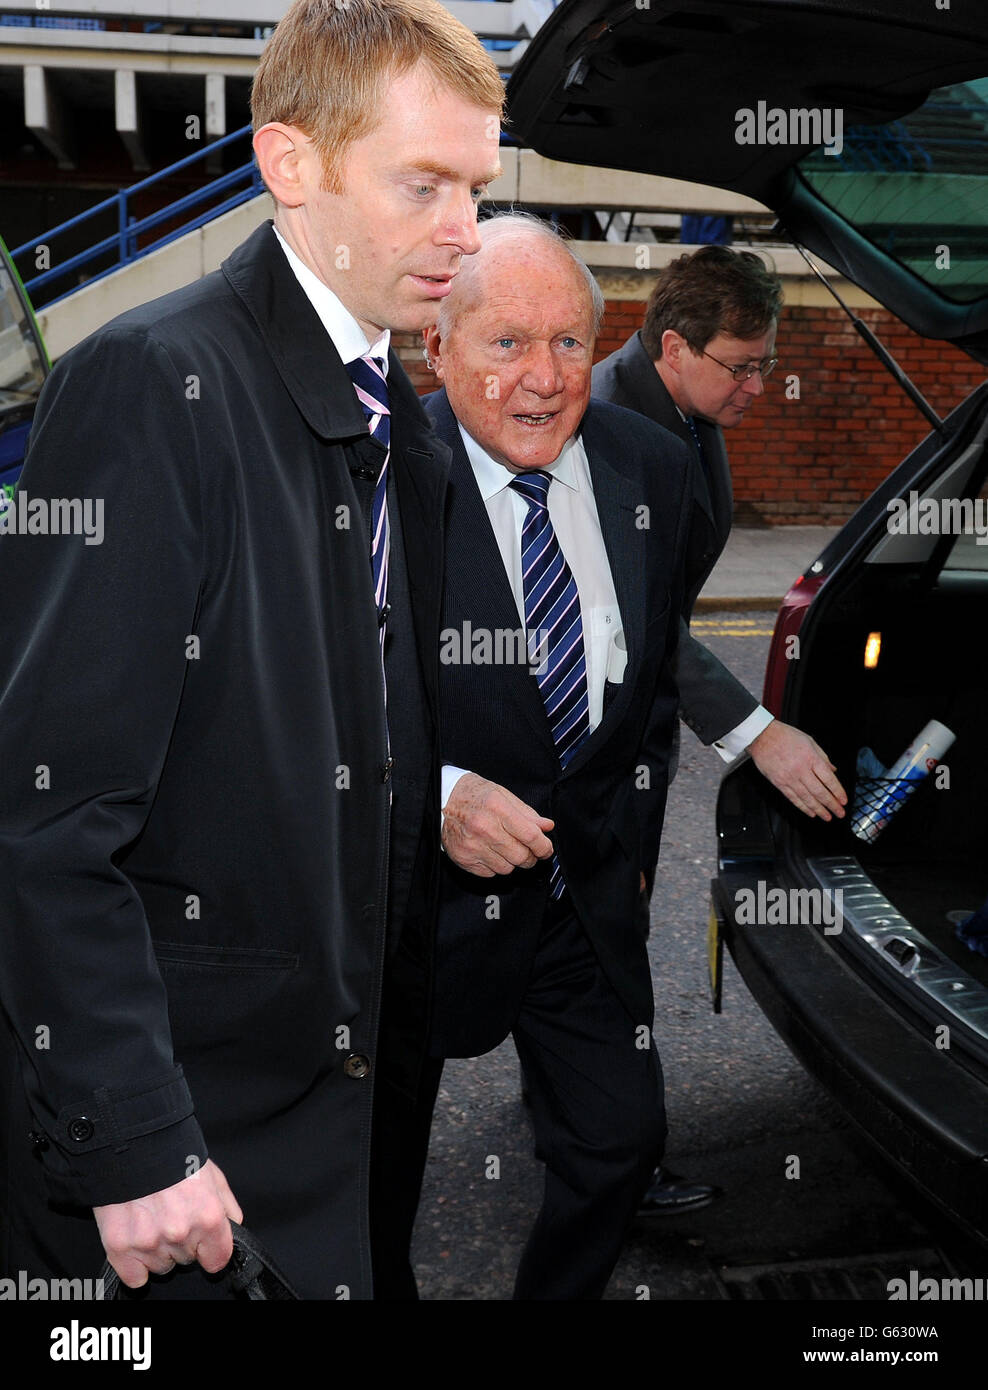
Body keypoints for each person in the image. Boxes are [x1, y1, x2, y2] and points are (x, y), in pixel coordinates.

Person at [0, 0, 503, 1299]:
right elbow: (47, 817)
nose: (465, 229)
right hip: (191, 1166)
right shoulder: (149, 387)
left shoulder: (417, 423)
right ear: (291, 164)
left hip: (353, 1128)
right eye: (424, 183)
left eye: (477, 187)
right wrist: (135, 1142)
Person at [406, 214, 695, 1299]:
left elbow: (654, 686)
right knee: (373, 1178)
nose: (543, 377)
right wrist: (432, 798)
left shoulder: (650, 468)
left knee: (619, 1142)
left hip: (579, 900)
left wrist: (630, 840)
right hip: (415, 908)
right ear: (437, 348)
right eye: (507, 343)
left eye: (570, 343)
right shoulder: (373, 483)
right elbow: (315, 708)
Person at [592, 245, 848, 1216]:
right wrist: (757, 732)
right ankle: (616, 1160)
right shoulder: (609, 426)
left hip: (641, 732)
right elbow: (639, 618)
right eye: (740, 365)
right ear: (673, 346)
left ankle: (575, 1112)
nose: (758, 386)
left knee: (589, 941)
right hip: (586, 741)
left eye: (761, 361)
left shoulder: (689, 408)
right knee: (604, 948)